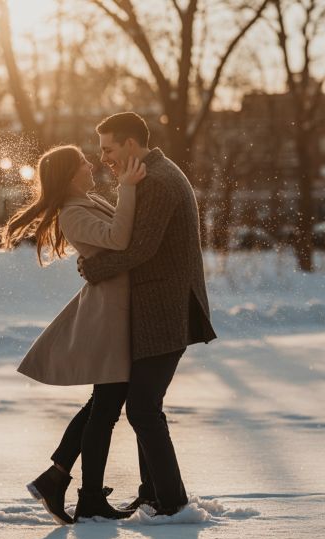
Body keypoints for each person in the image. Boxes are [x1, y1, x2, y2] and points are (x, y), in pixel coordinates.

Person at [77, 112, 217, 516]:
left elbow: (140, 248)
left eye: (108, 148)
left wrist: (95, 269)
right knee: (144, 406)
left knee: (142, 408)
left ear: (131, 145)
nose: (103, 157)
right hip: (159, 308)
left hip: (165, 310)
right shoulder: (150, 175)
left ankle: (171, 503)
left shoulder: (156, 181)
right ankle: (154, 494)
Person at [0, 144, 146, 524]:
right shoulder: (74, 213)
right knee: (106, 407)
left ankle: (59, 479)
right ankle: (86, 495)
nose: (90, 164)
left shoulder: (88, 201)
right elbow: (118, 238)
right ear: (69, 173)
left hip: (117, 312)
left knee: (103, 404)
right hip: (107, 318)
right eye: (83, 162)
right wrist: (127, 187)